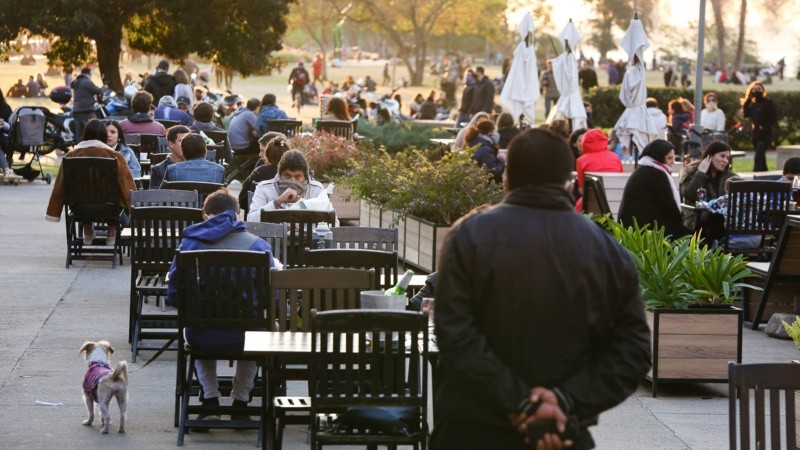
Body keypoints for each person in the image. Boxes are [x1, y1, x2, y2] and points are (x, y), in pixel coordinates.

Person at [431, 128, 651, 450]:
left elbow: (454, 331)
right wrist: (563, 401)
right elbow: (633, 351)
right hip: (563, 433)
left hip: (473, 429)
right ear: (569, 182)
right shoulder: (608, 252)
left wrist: (521, 402)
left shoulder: (470, 237)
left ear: (507, 179)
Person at [166, 188, 274, 420]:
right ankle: (241, 401)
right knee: (259, 334)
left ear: (205, 215)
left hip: (200, 335)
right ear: (238, 216)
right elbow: (272, 297)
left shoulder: (188, 246)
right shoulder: (258, 246)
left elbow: (174, 295)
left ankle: (209, 398)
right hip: (247, 337)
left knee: (198, 325)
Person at [45, 119, 136, 246]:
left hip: (79, 209)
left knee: (82, 198)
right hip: (110, 209)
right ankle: (111, 234)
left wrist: (54, 211)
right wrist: (134, 208)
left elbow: (60, 185)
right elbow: (127, 185)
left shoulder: (71, 156)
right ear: (104, 135)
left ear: (85, 135)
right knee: (117, 196)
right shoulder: (116, 156)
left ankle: (87, 233)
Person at [618, 140, 690, 238]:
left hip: (633, 227)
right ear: (659, 158)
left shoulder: (645, 169)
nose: (673, 161)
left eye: (674, 157)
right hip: (645, 231)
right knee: (695, 239)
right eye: (670, 158)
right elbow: (671, 208)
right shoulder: (657, 174)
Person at [679, 141, 737, 239]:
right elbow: (690, 195)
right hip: (696, 218)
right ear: (709, 156)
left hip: (724, 219)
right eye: (722, 156)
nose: (726, 161)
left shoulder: (730, 176)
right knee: (715, 217)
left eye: (727, 158)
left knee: (718, 217)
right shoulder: (691, 172)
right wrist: (700, 174)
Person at [247, 149, 325, 220]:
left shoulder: (316, 190)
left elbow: (333, 222)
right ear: (280, 175)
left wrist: (303, 204)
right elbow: (251, 219)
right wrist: (278, 202)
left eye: (298, 176)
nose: (292, 181)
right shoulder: (264, 188)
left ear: (305, 177)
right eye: (287, 176)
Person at [238, 133, 289, 211]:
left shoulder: (261, 171)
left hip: (262, 216)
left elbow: (243, 200)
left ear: (269, 151)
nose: (260, 154)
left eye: (262, 151)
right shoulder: (300, 170)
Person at [742, 81, 777, 172]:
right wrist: (748, 99)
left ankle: (756, 175)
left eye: (759, 89)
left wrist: (764, 126)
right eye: (754, 89)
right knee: (761, 157)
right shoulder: (753, 105)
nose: (757, 91)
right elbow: (746, 114)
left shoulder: (768, 103)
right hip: (756, 134)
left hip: (766, 134)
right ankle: (765, 174)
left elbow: (773, 119)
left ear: (763, 90)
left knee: (758, 156)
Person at [150, 125, 190, 189]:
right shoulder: (158, 169)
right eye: (181, 141)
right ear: (171, 144)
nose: (185, 144)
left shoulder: (197, 167)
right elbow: (155, 195)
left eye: (188, 141)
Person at [70, 68, 103, 144]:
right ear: (87, 74)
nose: (91, 76)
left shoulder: (76, 82)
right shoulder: (86, 82)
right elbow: (98, 90)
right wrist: (104, 88)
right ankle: (94, 147)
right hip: (86, 111)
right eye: (90, 74)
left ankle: (79, 151)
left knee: (78, 135)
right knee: (95, 130)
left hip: (76, 111)